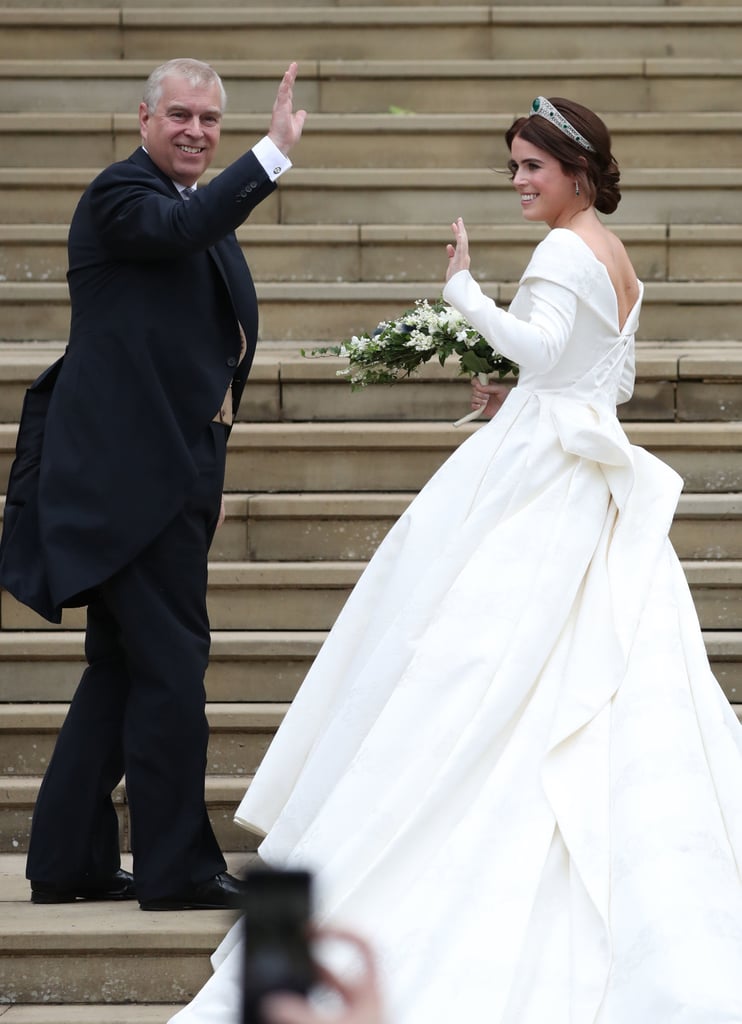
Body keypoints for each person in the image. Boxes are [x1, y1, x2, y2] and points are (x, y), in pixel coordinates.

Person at [167, 98, 742, 1020]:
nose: (518, 183)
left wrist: (467, 296)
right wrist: (516, 398)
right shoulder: (615, 255)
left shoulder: (561, 251)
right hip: (575, 473)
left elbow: (546, 349)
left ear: (579, 171)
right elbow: (607, 379)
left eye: (533, 169)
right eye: (512, 167)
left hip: (541, 491)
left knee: (463, 671)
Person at [0, 58, 306, 911]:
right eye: (181, 115)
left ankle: (67, 862)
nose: (197, 133)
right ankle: (178, 870)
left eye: (211, 120)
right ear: (143, 116)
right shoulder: (121, 195)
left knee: (122, 672)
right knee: (171, 671)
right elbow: (182, 236)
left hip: (172, 470)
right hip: (125, 482)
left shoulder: (180, 201)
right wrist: (269, 155)